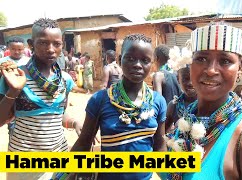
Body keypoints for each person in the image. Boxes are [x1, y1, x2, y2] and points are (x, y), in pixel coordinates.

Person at [164, 24, 242, 179]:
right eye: (201, 58)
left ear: (241, 67)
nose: (211, 70)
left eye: (225, 61)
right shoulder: (186, 123)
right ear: (190, 64)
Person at [71, 34, 167, 180]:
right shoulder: (101, 99)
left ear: (152, 63)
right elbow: (84, 142)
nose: (137, 64)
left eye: (145, 60)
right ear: (120, 59)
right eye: (130, 58)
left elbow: (159, 144)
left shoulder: (158, 101)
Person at [0, 18, 82, 179]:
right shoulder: (15, 76)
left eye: (56, 44)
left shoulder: (65, 79)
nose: (50, 49)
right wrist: (15, 90)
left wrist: (74, 122)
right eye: (43, 43)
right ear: (31, 44)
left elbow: (59, 114)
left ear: (62, 45)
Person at [165, 45, 196, 133]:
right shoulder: (173, 105)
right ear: (178, 79)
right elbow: (164, 133)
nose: (190, 83)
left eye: (193, 78)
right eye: (186, 78)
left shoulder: (206, 104)